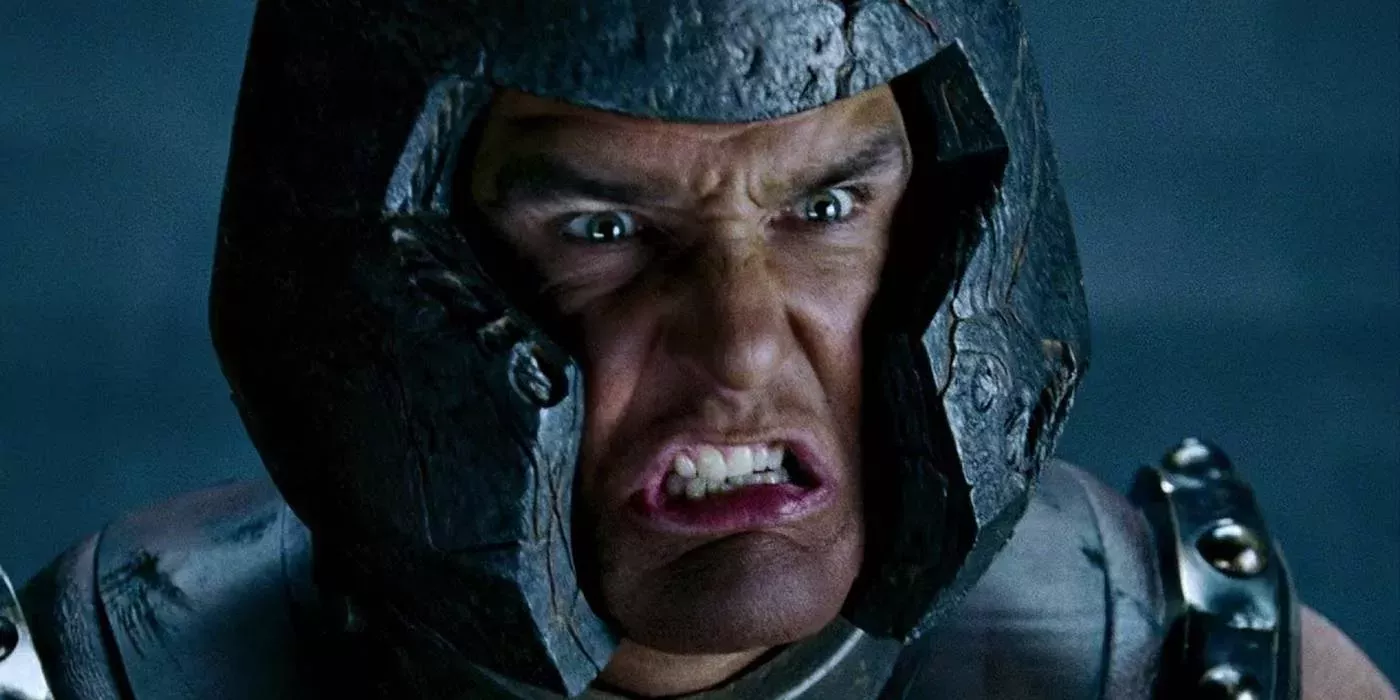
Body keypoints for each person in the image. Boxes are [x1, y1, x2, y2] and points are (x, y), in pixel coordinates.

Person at [0, 1, 1394, 698]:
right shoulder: (114, 672)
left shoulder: (1175, 673)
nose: (737, 350)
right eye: (603, 227)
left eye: (825, 208)